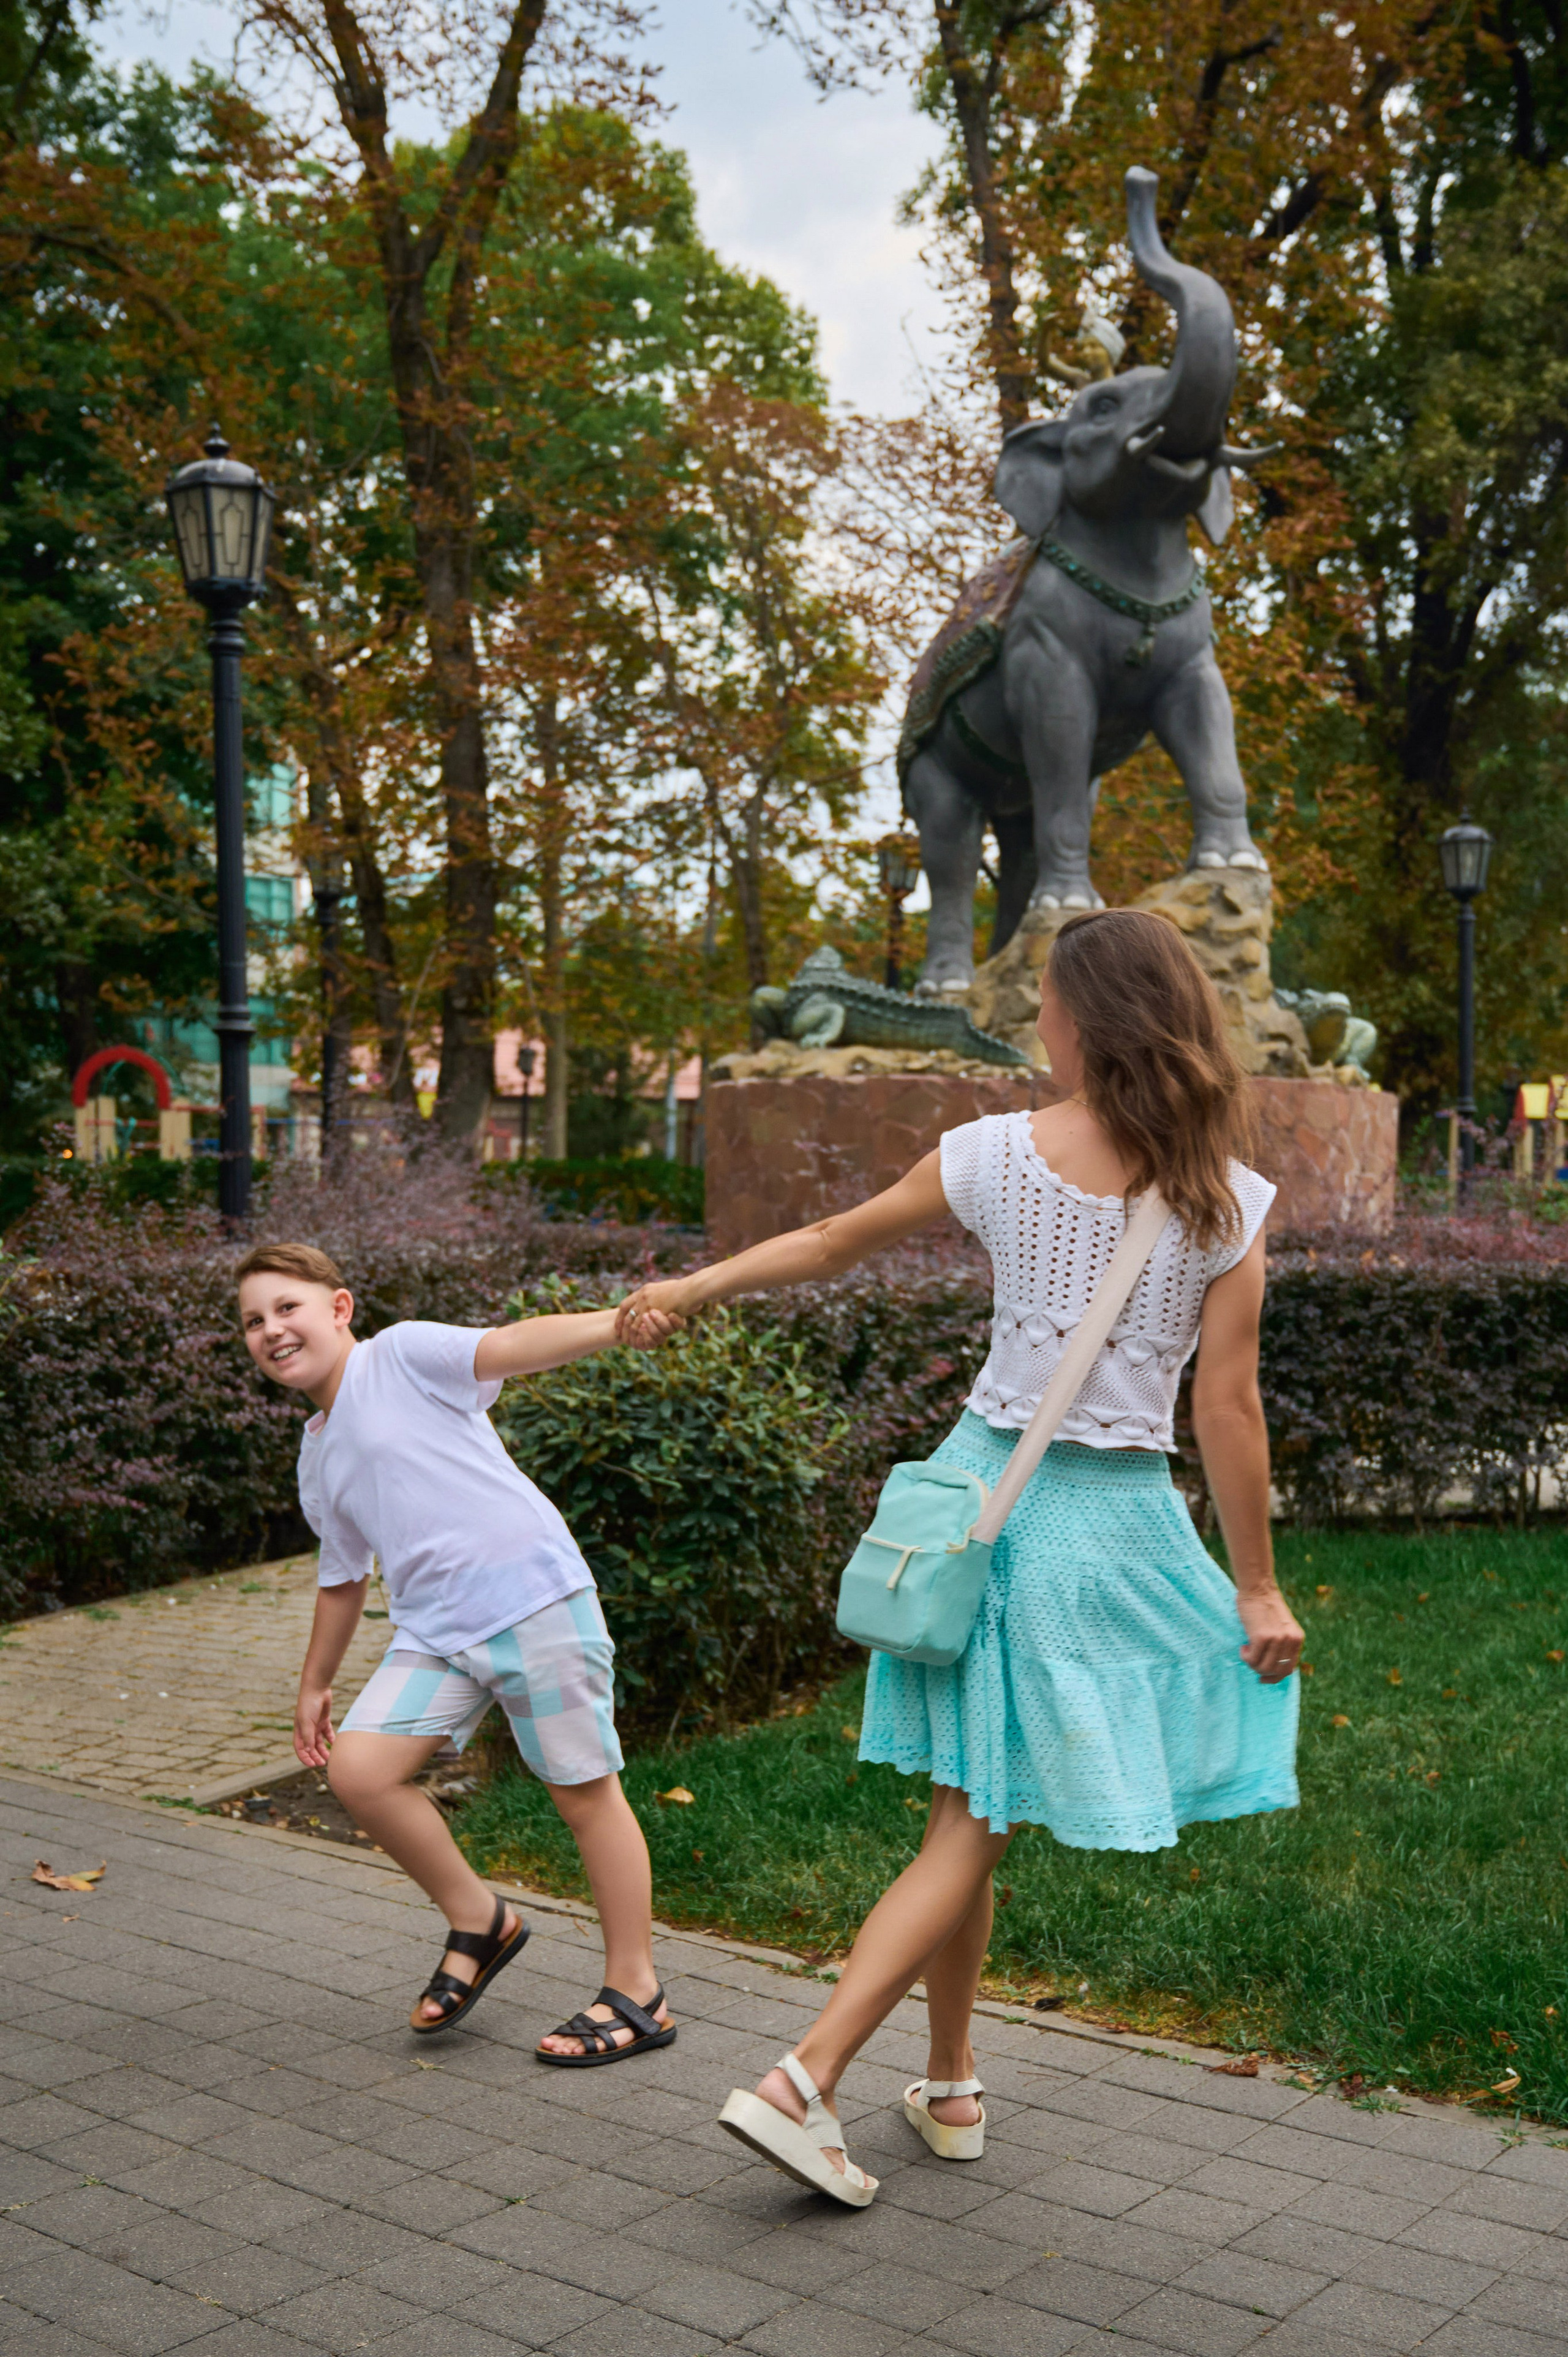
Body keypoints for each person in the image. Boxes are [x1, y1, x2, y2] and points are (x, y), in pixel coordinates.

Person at [616, 909, 1303, 2205]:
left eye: (1044, 1001)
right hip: (1092, 1524)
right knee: (972, 1815)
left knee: (964, 1808)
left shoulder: (995, 1154)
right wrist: (1254, 1582)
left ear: (1082, 1020)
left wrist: (691, 1290)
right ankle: (802, 2079)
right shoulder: (1226, 1199)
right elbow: (1227, 1408)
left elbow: (829, 1244)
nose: (1034, 1021)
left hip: (974, 1500)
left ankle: (946, 2079)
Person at [235, 1241, 685, 2062]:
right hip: (435, 1633)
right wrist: (314, 1686)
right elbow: (343, 1579)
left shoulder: (401, 1356)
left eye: (286, 1307)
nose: (271, 1330)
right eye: (253, 1322)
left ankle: (638, 1989)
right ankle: (481, 1919)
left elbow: (514, 1342)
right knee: (361, 1774)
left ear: (339, 1309)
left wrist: (617, 1328)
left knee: (585, 1796)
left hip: (531, 1601)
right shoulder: (316, 1451)